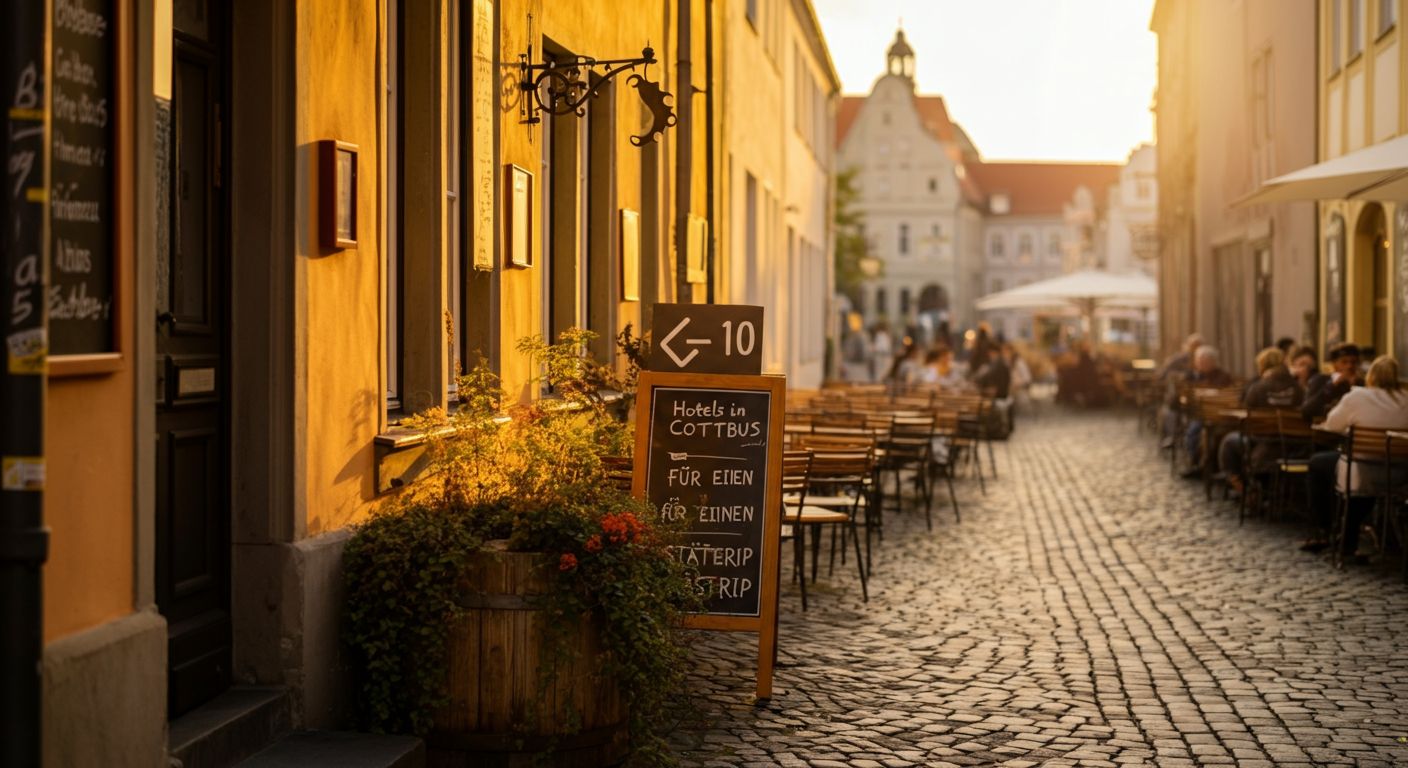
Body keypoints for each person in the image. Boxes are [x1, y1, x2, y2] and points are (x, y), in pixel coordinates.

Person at [1301, 356, 1408, 556]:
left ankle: (1328, 527)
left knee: (1319, 464)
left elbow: (1332, 425)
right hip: (1400, 474)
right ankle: (1348, 535)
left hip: (1360, 471)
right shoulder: (1406, 399)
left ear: (1370, 377)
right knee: (1356, 470)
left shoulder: (1357, 396)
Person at [1217, 347, 1305, 495]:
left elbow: (1245, 406)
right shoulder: (1297, 387)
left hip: (1262, 443)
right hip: (1293, 445)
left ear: (1262, 366)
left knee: (1228, 442)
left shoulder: (1259, 387)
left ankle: (1244, 490)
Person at [1301, 342, 1361, 422]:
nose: (1349, 366)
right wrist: (1332, 386)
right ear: (1334, 364)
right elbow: (1307, 410)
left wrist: (1353, 387)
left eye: (1353, 362)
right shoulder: (1320, 380)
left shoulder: (1361, 384)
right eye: (1344, 362)